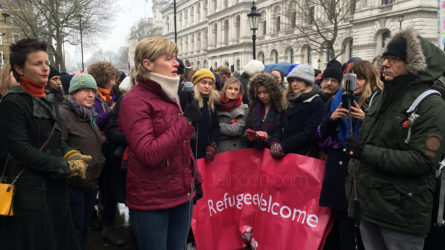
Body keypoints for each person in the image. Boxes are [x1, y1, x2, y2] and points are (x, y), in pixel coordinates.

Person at [345, 28, 445, 250]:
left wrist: (365, 151)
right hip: (370, 207)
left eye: (394, 59)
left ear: (413, 64)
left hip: (402, 214)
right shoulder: (380, 97)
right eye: (385, 58)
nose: (385, 64)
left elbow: (422, 160)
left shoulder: (431, 104)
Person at [0, 38, 89, 250]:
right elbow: (20, 150)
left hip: (54, 188)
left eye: (46, 63)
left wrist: (71, 154)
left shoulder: (48, 98)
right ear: (20, 68)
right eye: (37, 63)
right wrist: (63, 166)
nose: (45, 68)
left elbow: (56, 140)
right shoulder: (13, 102)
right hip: (29, 193)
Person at [118, 37, 200, 250]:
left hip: (181, 195)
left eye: (176, 58)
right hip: (151, 200)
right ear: (147, 64)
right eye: (169, 58)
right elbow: (149, 153)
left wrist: (195, 179)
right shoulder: (135, 101)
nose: (177, 63)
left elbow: (181, 145)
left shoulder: (170, 96)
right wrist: (186, 122)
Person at [318, 60, 382, 250]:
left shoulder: (377, 101)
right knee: (343, 225)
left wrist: (366, 119)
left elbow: (385, 136)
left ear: (370, 80)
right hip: (340, 169)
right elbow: (320, 134)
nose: (356, 83)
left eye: (361, 78)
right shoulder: (335, 100)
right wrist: (332, 119)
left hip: (365, 170)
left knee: (366, 229)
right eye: (352, 78)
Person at [59, 73, 104, 250]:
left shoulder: (87, 114)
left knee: (85, 228)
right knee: (76, 231)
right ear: (73, 93)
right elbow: (58, 145)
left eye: (93, 91)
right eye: (86, 91)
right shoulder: (64, 114)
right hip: (73, 184)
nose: (91, 95)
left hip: (91, 183)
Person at [270, 64, 323, 159]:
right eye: (292, 81)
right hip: (284, 154)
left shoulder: (315, 101)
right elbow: (280, 125)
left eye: (298, 80)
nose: (294, 84)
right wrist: (275, 142)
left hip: (302, 155)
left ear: (307, 82)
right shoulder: (289, 99)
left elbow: (309, 133)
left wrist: (283, 146)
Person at [181, 69, 220, 160]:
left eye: (210, 84)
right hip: (188, 150)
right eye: (204, 82)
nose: (207, 86)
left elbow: (216, 126)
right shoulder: (187, 98)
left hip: (205, 152)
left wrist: (213, 143)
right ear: (196, 83)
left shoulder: (212, 102)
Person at [244, 72, 284, 150]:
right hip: (253, 152)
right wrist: (249, 137)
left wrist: (268, 138)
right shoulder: (254, 107)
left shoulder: (280, 108)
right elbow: (245, 130)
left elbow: (281, 133)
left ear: (272, 91)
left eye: (265, 92)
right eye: (259, 93)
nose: (262, 96)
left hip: (271, 153)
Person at [216, 77, 248, 153]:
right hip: (220, 149)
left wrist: (218, 126)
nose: (232, 92)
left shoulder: (244, 108)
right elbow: (211, 128)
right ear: (225, 90)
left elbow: (238, 130)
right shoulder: (216, 105)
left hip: (237, 149)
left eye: (236, 89)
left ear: (240, 93)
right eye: (230, 88)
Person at [88, 61, 120, 130]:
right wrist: (110, 111)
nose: (114, 83)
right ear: (103, 79)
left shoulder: (112, 95)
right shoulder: (92, 97)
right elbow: (93, 122)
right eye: (112, 79)